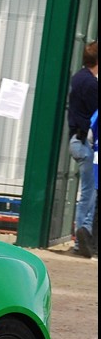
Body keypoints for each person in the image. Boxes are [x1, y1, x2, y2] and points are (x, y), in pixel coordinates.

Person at [67, 40, 98, 258]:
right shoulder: (91, 84)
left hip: (77, 140)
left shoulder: (79, 77)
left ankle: (83, 234)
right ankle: (82, 238)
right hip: (84, 142)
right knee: (89, 191)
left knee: (90, 190)